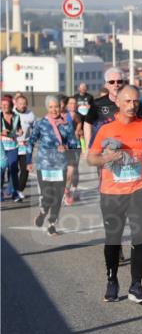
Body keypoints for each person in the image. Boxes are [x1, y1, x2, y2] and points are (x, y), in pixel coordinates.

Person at [86, 85, 142, 304]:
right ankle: (112, 279)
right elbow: (91, 158)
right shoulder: (106, 129)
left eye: (135, 101)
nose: (132, 105)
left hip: (138, 187)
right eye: (127, 101)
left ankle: (136, 285)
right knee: (113, 238)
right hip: (112, 191)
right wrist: (107, 159)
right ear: (118, 102)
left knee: (140, 234)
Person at [27, 95, 76, 235]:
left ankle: (52, 224)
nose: (54, 110)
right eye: (51, 107)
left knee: (57, 197)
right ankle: (42, 213)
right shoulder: (40, 123)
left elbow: (74, 144)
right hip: (44, 165)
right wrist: (28, 161)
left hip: (60, 165)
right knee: (48, 196)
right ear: (47, 108)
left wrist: (66, 146)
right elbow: (31, 141)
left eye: (56, 107)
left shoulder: (66, 124)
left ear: (61, 107)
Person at [1, 95, 24, 202]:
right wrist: (1, 132)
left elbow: (19, 129)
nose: (5, 107)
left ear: (11, 106)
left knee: (13, 169)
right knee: (1, 170)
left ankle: (15, 193)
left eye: (7, 105)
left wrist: (20, 131)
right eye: (3, 105)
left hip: (13, 146)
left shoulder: (16, 116)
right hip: (1, 146)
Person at [61, 96, 83, 205]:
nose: (72, 105)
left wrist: (77, 131)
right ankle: (66, 191)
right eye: (70, 103)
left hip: (75, 145)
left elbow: (79, 123)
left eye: (74, 103)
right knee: (67, 169)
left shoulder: (76, 115)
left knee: (73, 168)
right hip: (65, 146)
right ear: (66, 105)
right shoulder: (62, 115)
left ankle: (70, 191)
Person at [13, 93, 36, 196]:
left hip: (25, 145)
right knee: (12, 168)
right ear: (16, 104)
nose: (22, 105)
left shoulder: (30, 114)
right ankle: (12, 188)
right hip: (12, 145)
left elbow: (35, 128)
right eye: (20, 103)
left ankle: (19, 190)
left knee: (25, 169)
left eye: (24, 103)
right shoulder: (11, 113)